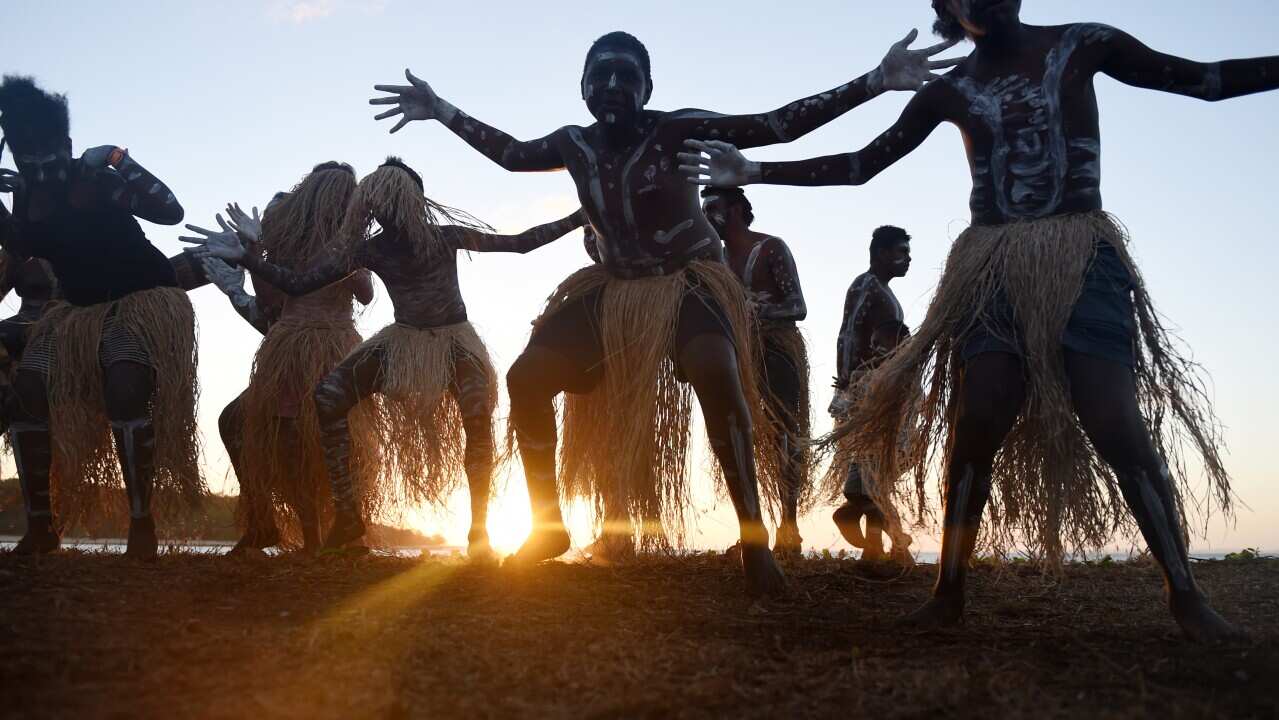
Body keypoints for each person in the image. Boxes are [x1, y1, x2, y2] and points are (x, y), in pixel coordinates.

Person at [680, 0, 1279, 640]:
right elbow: (863, 164)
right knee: (977, 420)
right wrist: (759, 170)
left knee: (1113, 416)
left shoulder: (1083, 45)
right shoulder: (953, 90)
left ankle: (1185, 595)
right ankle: (949, 593)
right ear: (945, 10)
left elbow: (1205, 80)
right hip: (990, 267)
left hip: (1081, 257)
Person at [367, 30, 959, 595]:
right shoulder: (575, 144)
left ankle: (756, 542)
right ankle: (546, 525)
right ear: (583, 89)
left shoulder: (674, 132)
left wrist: (875, 81)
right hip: (615, 290)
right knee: (527, 379)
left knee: (715, 372)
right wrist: (441, 109)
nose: (614, 84)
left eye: (629, 75)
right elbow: (512, 155)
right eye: (602, 75)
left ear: (649, 89)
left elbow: (775, 127)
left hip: (688, 285)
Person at [184, 158, 586, 558]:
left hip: (453, 342)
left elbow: (521, 242)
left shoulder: (444, 237)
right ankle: (346, 515)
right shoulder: (369, 249)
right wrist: (252, 255)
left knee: (477, 415)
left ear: (414, 202)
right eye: (377, 201)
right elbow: (298, 283)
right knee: (328, 396)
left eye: (393, 198)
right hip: (401, 340)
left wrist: (581, 216)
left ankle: (479, 531)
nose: (384, 209)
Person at [0, 76, 202, 559]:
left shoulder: (96, 179)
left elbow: (171, 212)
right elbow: (25, 248)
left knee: (125, 387)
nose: (37, 165)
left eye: (46, 153)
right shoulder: (26, 193)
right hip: (76, 314)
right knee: (27, 391)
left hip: (142, 301)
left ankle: (141, 526)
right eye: (26, 156)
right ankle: (41, 528)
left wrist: (118, 159)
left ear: (67, 146)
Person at [199, 166, 381, 554]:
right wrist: (251, 258)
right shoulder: (284, 243)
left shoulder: (346, 242)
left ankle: (335, 535)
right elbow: (268, 302)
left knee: (320, 442)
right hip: (288, 352)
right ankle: (269, 525)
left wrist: (348, 248)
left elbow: (365, 293)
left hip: (332, 353)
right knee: (245, 425)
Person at [700, 186, 812, 557]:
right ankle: (752, 531)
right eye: (704, 209)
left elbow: (797, 306)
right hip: (739, 356)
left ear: (735, 209)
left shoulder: (771, 248)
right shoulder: (713, 261)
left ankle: (789, 527)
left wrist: (752, 311)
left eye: (713, 208)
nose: (706, 216)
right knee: (739, 436)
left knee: (785, 434)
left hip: (776, 349)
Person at [826, 225, 914, 564]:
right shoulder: (867, 286)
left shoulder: (880, 290)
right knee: (871, 472)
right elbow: (847, 335)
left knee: (879, 471)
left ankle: (881, 547)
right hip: (870, 391)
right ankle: (883, 539)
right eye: (900, 252)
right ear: (879, 254)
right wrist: (849, 384)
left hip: (878, 387)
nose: (907, 259)